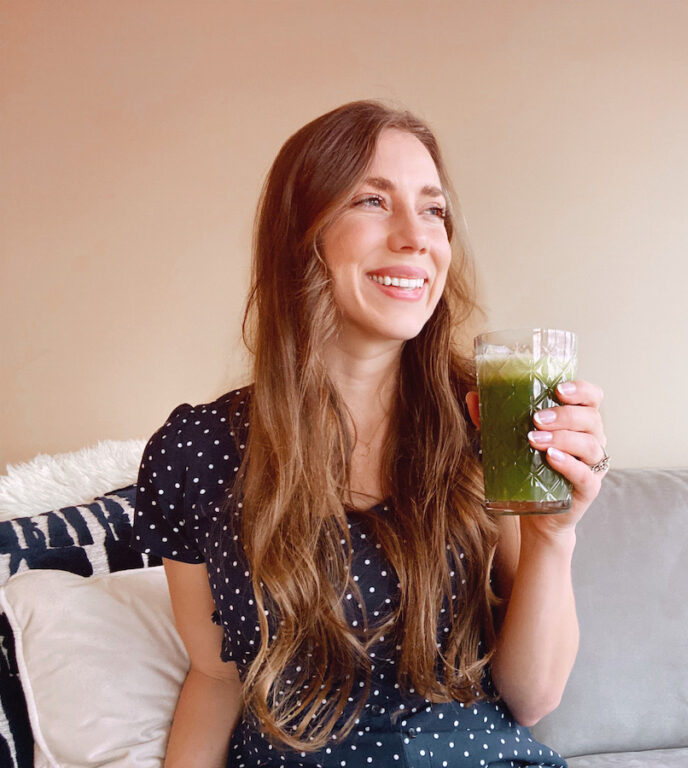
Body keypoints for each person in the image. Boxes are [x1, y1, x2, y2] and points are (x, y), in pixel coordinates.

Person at [131, 100, 608, 768]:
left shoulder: (490, 419)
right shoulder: (196, 451)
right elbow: (215, 676)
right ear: (303, 233)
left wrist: (554, 535)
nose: (418, 236)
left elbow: (532, 699)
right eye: (373, 202)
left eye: (434, 209)